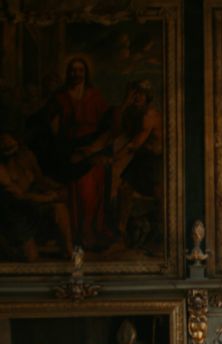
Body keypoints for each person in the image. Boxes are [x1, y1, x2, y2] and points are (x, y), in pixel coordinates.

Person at [46, 56, 114, 251]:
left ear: (86, 73)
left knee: (93, 195)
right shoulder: (60, 97)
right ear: (68, 73)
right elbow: (53, 130)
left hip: (93, 149)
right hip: (71, 151)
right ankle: (78, 234)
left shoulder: (95, 95)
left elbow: (108, 125)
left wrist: (96, 148)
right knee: (79, 194)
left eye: (80, 70)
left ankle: (91, 232)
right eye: (73, 70)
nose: (76, 73)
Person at [0, 132, 73, 261]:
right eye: (4, 145)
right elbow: (20, 196)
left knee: (59, 208)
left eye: (10, 143)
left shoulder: (27, 156)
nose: (7, 147)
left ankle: (69, 250)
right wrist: (47, 198)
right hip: (15, 215)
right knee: (31, 258)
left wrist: (56, 188)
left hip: (32, 207)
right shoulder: (1, 170)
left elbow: (40, 179)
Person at [111, 79, 163, 249]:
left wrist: (115, 158)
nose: (136, 97)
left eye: (140, 93)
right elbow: (117, 130)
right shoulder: (135, 113)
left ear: (147, 96)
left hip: (155, 162)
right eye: (134, 93)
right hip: (142, 160)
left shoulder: (149, 114)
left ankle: (160, 237)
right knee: (124, 189)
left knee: (160, 196)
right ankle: (120, 233)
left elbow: (135, 143)